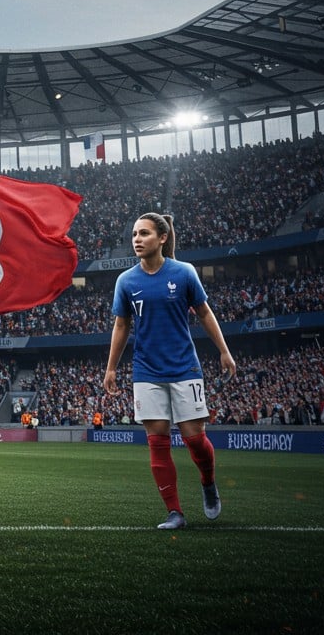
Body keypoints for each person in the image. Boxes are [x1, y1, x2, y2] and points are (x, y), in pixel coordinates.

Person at [104, 212, 236, 530]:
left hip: (185, 367)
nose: (137, 239)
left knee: (194, 440)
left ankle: (207, 482)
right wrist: (111, 368)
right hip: (146, 372)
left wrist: (224, 351)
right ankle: (174, 512)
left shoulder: (184, 273)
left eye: (144, 233)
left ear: (162, 238)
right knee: (157, 442)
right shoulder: (126, 281)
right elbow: (121, 325)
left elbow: (205, 314)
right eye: (135, 234)